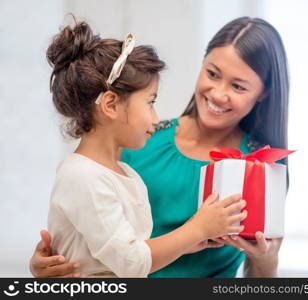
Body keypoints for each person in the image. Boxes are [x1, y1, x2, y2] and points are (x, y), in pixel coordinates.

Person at [30, 16, 289, 278]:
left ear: (263, 93)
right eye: (212, 74)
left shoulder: (261, 169)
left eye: (238, 86)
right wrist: (50, 262)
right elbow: (88, 229)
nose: (219, 93)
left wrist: (268, 262)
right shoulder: (136, 140)